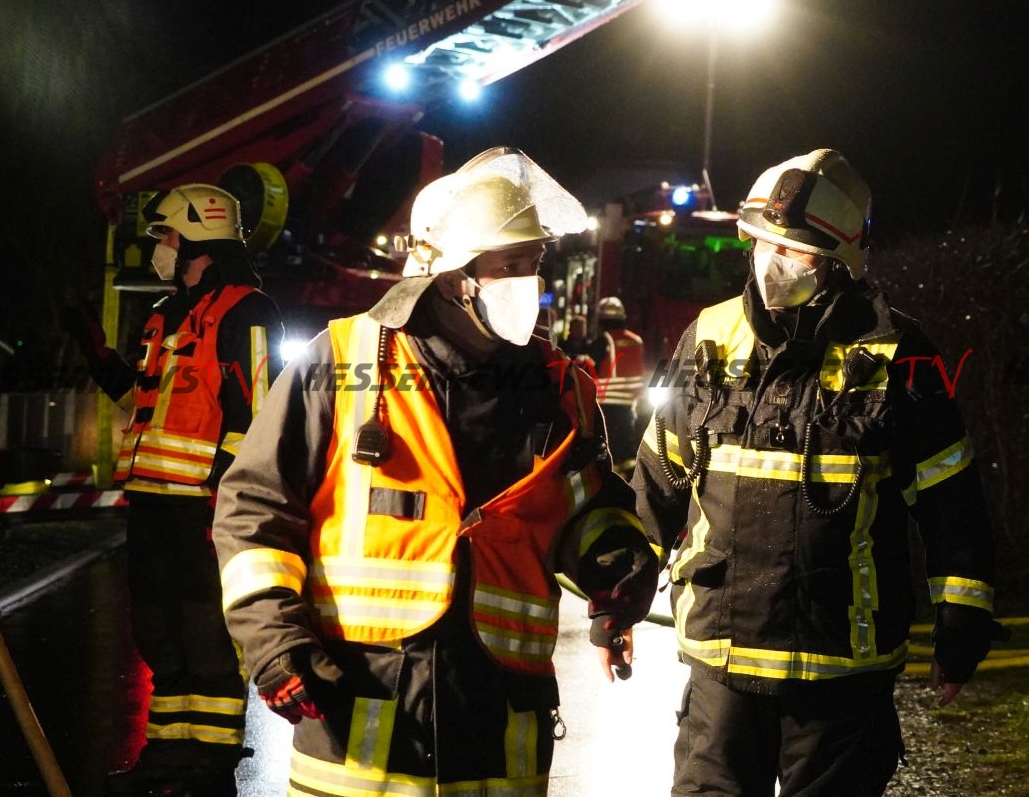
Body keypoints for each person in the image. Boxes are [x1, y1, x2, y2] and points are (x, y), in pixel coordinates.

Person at [213, 147, 657, 796]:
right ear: (452, 277)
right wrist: (273, 642)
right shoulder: (339, 362)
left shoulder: (556, 386)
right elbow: (255, 509)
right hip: (360, 730)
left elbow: (586, 509)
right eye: (509, 266)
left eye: (533, 264)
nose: (528, 284)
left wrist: (616, 581)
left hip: (498, 731)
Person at [632, 150, 1007, 796]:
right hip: (722, 670)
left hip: (842, 674)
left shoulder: (900, 354)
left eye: (795, 251)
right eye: (765, 242)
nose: (772, 261)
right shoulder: (709, 336)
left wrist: (961, 625)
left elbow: (952, 502)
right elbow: (657, 477)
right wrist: (618, 597)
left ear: (839, 261)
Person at [68, 184, 283, 796]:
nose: (159, 246)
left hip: (203, 506)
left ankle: (210, 760)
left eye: (165, 234)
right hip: (152, 502)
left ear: (197, 238)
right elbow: (141, 399)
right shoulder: (165, 315)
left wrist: (226, 495)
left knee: (205, 631)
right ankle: (167, 751)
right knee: (157, 630)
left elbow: (257, 413)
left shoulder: (249, 311)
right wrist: (93, 350)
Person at [590, 296, 646, 468]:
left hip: (605, 402)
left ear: (601, 319)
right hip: (630, 402)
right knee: (625, 439)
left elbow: (588, 366)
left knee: (607, 443)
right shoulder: (636, 340)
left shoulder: (603, 340)